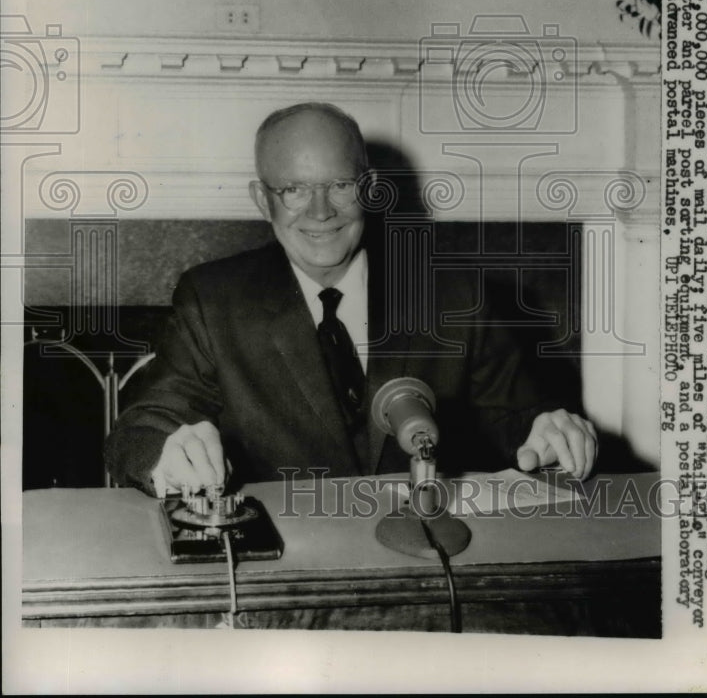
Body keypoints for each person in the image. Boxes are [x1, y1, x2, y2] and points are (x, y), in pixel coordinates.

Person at [106, 102, 597, 495]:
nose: (321, 212)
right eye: (294, 189)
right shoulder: (213, 300)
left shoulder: (453, 292)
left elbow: (518, 418)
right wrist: (169, 453)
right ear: (263, 200)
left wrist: (551, 430)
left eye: (340, 185)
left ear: (371, 190)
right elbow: (143, 427)